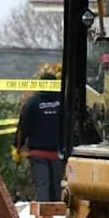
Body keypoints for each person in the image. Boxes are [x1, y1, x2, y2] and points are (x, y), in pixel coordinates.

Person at [14, 69, 64, 202]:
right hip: (58, 153)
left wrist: (16, 146)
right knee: (56, 186)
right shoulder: (63, 102)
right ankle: (57, 216)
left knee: (42, 186)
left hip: (38, 153)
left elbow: (23, 127)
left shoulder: (32, 103)